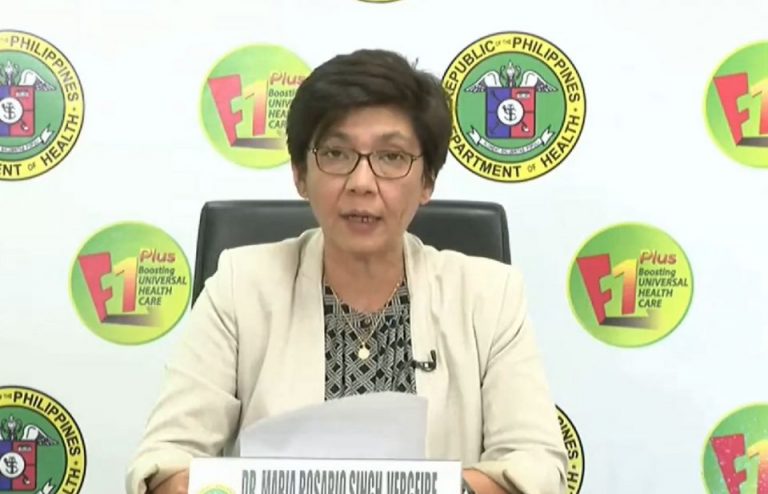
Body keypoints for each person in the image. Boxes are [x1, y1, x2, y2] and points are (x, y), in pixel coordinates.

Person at [125, 48, 567, 494]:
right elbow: (165, 461)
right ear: (300, 174)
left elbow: (537, 469)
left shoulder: (489, 296)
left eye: (391, 157)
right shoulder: (240, 287)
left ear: (427, 181)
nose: (361, 183)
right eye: (336, 153)